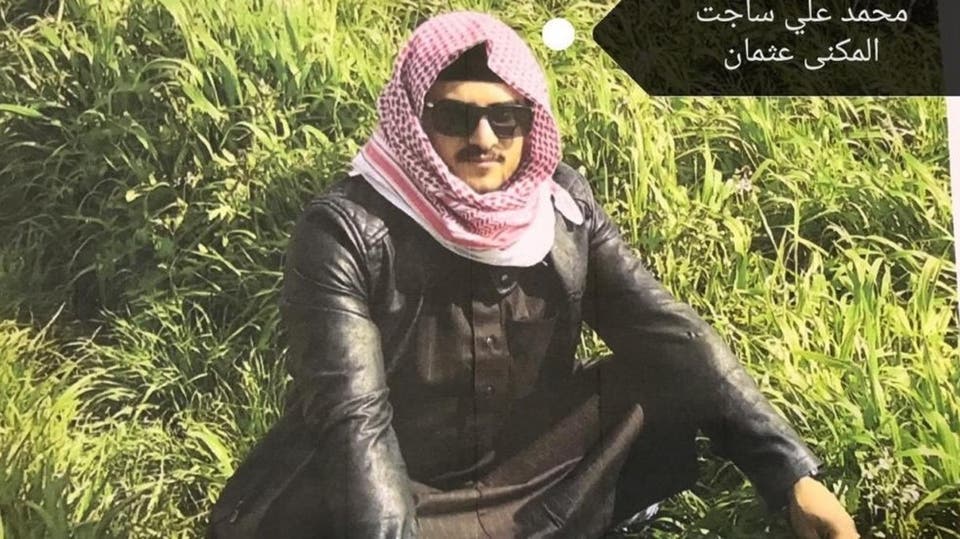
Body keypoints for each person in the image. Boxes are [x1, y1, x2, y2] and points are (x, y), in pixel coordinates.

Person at [207, 11, 860, 539]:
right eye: (454, 116)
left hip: (518, 472)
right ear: (414, 120)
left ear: (531, 121)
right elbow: (356, 421)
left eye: (506, 117)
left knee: (663, 374)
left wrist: (791, 476)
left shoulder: (562, 207)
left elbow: (666, 331)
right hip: (383, 495)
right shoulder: (347, 231)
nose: (484, 138)